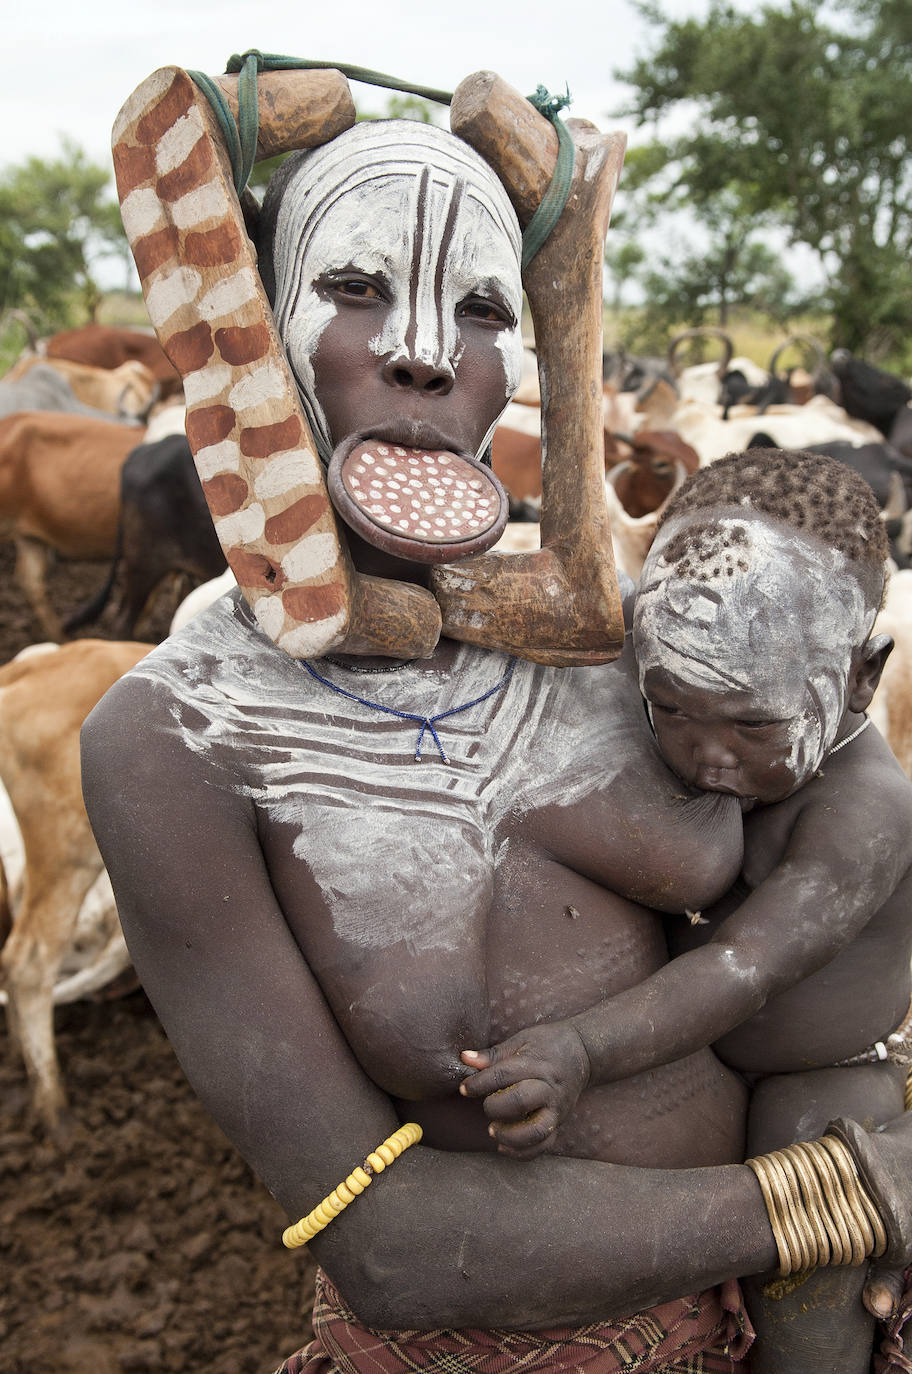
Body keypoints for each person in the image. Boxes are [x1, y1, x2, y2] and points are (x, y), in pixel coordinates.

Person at [82, 115, 912, 1373]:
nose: (425, 352)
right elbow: (387, 1243)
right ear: (248, 333)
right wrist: (842, 1198)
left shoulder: (623, 623)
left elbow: (828, 737)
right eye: (356, 290)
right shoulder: (180, 739)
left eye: (478, 308)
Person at [458, 447, 912, 1368]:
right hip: (698, 1052)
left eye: (752, 725)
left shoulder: (865, 810)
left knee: (808, 1284)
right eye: (671, 706)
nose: (707, 755)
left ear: (863, 677)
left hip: (816, 1077)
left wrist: (581, 1047)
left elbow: (746, 967)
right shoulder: (681, 685)